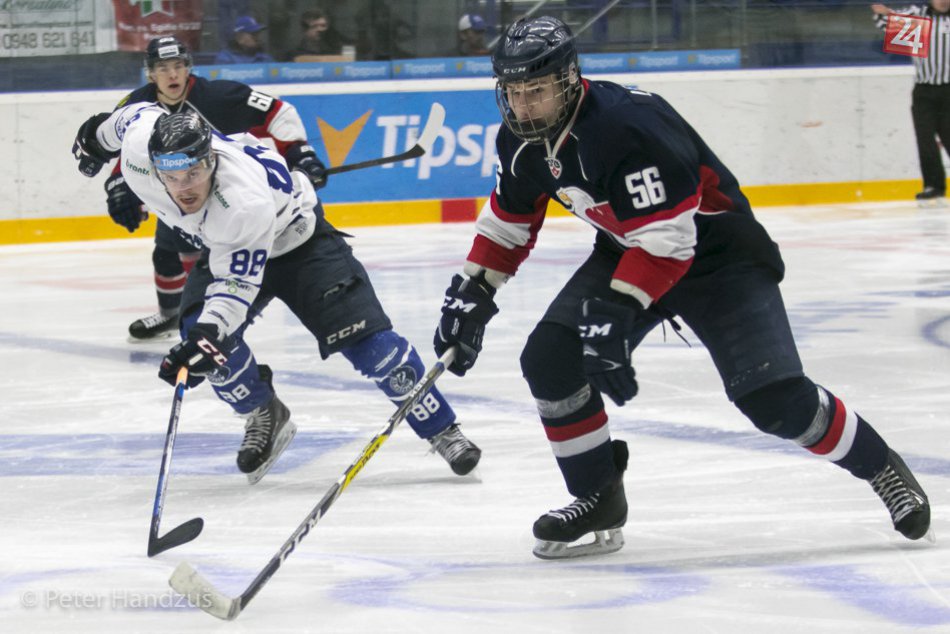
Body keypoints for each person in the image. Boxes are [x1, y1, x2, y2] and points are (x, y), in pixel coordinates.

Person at [433, 16, 931, 559]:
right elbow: (509, 222)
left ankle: (881, 467)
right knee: (550, 358)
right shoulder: (520, 141)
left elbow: (670, 242)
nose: (525, 106)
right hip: (630, 249)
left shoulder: (627, 126)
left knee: (773, 401)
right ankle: (597, 495)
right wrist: (472, 291)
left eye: (537, 91)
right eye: (514, 93)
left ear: (569, 79)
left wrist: (615, 312)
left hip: (721, 259)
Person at [72, 105, 482, 483]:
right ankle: (262, 411)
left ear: (210, 158)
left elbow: (236, 287)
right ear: (155, 165)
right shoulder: (140, 151)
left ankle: (442, 429)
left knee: (372, 348)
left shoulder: (242, 202)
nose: (184, 188)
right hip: (224, 247)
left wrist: (208, 336)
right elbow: (131, 117)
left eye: (194, 173)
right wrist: (94, 138)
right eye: (173, 177)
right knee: (203, 341)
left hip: (297, 243)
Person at [71, 36, 327, 341]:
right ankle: (172, 315)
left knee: (209, 258)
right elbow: (130, 149)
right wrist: (119, 186)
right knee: (165, 254)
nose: (172, 75)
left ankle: (211, 316)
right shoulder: (137, 104)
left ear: (188, 67)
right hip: (180, 193)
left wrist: (300, 152)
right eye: (163, 68)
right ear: (151, 73)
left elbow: (278, 111)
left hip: (226, 195)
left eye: (178, 66)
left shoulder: (218, 95)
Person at [872, 1, 950, 205]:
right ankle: (933, 186)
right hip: (924, 90)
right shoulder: (919, 15)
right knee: (925, 140)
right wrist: (885, 14)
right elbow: (886, 23)